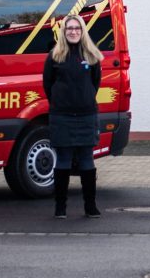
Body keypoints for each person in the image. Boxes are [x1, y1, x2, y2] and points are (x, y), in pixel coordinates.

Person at [44, 14, 104, 219]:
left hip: (86, 116)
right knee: (63, 161)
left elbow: (95, 83)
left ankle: (90, 207)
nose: (73, 31)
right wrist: (62, 103)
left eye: (77, 28)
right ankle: (60, 208)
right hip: (62, 117)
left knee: (87, 161)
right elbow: (48, 85)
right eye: (69, 28)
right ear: (63, 31)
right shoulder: (54, 56)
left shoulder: (91, 55)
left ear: (82, 31)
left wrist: (83, 100)